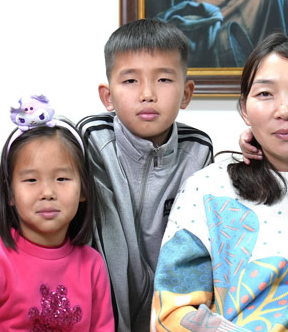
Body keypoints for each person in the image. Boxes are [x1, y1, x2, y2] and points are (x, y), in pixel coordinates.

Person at [153, 33, 288, 332]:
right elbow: (172, 310)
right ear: (244, 108)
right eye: (265, 94)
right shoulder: (208, 188)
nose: (284, 110)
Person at [77, 18, 214, 332]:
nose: (148, 94)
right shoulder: (90, 139)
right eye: (130, 81)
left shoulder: (198, 149)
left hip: (170, 314)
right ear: (107, 95)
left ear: (186, 93)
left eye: (164, 80)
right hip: (101, 313)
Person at [0, 95, 114, 331]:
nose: (47, 192)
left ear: (84, 189)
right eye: (32, 180)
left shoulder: (93, 265)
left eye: (62, 179)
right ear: (11, 193)